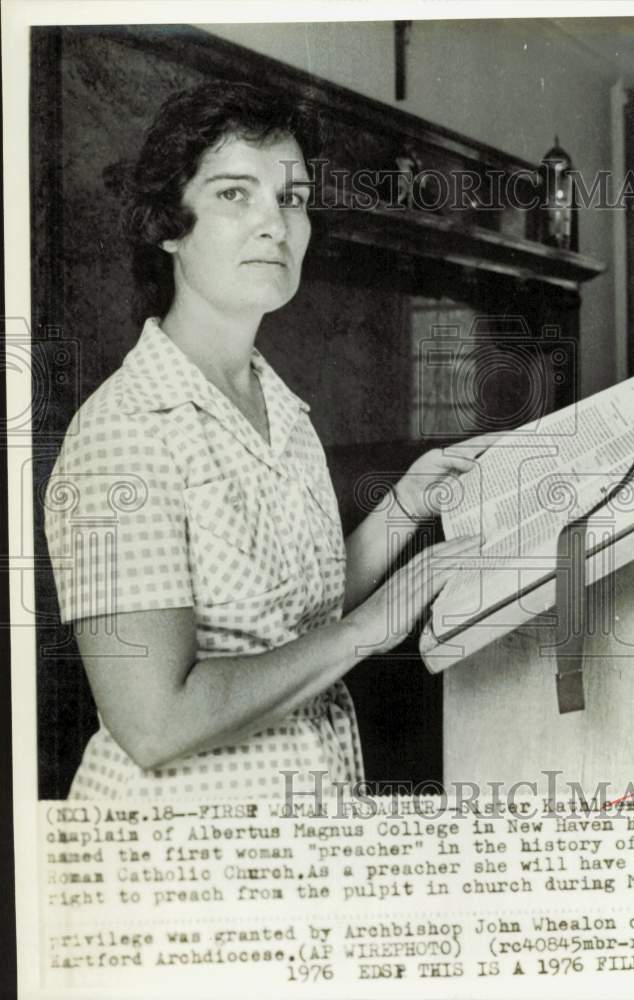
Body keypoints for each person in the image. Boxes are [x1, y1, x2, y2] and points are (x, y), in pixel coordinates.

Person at [43, 80, 483, 800]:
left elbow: (296, 611)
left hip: (307, 826)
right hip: (177, 855)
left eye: (292, 197)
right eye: (233, 195)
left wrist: (408, 503)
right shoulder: (125, 430)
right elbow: (155, 722)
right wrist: (368, 630)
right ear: (168, 226)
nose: (274, 225)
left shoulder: (281, 406)